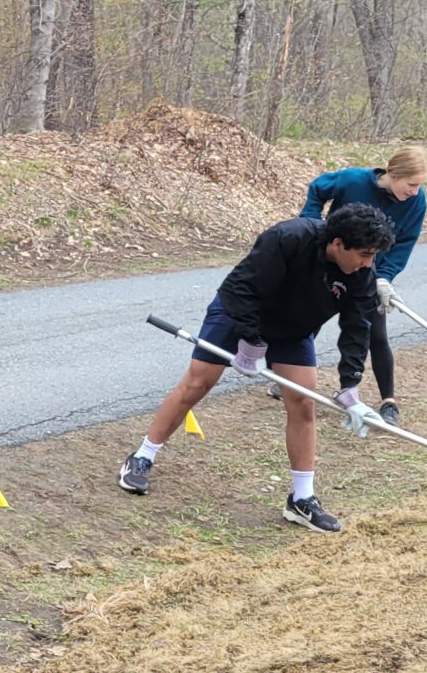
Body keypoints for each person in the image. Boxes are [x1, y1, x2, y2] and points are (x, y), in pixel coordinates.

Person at [118, 202, 393, 532]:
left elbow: (357, 329)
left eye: (373, 256)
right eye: (364, 254)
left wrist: (350, 386)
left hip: (292, 330)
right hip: (238, 313)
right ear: (337, 243)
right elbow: (241, 288)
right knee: (198, 384)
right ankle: (143, 456)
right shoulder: (289, 238)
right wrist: (250, 342)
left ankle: (301, 499)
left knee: (303, 402)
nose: (368, 263)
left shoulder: (362, 275)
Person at [300, 143, 427, 424]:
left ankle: (388, 402)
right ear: (394, 173)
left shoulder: (416, 202)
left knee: (375, 334)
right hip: (333, 263)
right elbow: (318, 188)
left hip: (369, 272)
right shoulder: (353, 180)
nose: (415, 191)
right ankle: (291, 379)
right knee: (310, 320)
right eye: (411, 184)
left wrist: (385, 277)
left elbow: (405, 243)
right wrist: (312, 227)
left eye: (419, 185)